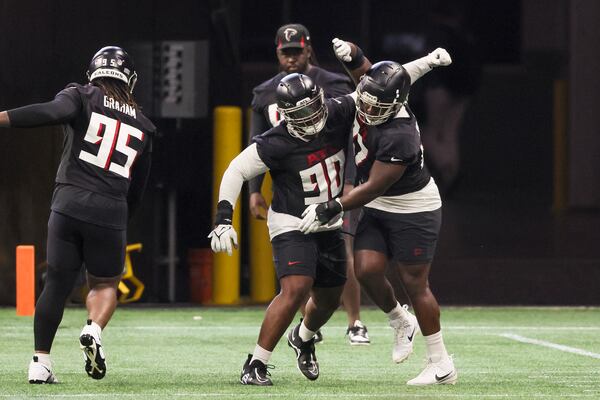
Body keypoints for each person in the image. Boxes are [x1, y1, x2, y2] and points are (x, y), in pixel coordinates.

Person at [209, 51, 442, 386]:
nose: (311, 116)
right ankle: (256, 363)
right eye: (301, 112)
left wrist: (428, 62)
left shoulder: (339, 110)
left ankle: (303, 338)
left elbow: (386, 80)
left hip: (329, 217)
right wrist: (222, 217)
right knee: (296, 286)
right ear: (285, 115)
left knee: (330, 297)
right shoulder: (277, 141)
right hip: (292, 219)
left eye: (313, 106)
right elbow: (236, 170)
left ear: (321, 99)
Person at [300, 38, 457, 386]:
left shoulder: (400, 134)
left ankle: (441, 362)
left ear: (398, 103)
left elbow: (373, 186)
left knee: (415, 283)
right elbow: (382, 75)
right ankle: (400, 321)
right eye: (365, 99)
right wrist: (353, 55)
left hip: (413, 206)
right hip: (379, 205)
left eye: (376, 104)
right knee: (367, 269)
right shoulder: (377, 92)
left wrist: (333, 206)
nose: (367, 108)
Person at [0, 46, 155, 383]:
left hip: (68, 202)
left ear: (93, 74)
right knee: (104, 284)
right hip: (111, 208)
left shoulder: (82, 96)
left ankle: (40, 363)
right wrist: (119, 221)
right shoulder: (144, 125)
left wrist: (4, 117)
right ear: (130, 80)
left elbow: (51, 112)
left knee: (55, 283)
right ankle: (94, 328)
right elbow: (137, 190)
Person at [248, 23, 368, 345]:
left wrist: (350, 181)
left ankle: (355, 321)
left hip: (332, 176)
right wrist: (254, 190)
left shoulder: (332, 83)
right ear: (277, 52)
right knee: (298, 263)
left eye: (296, 51)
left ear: (308, 49)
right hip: (291, 184)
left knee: (342, 248)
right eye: (285, 52)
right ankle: (307, 326)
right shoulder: (265, 92)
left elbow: (350, 132)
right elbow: (255, 143)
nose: (291, 58)